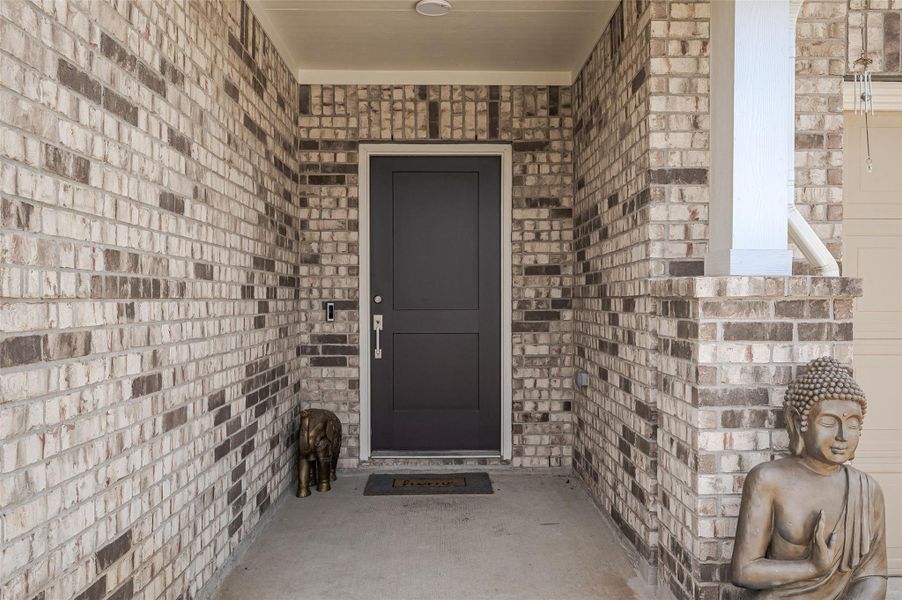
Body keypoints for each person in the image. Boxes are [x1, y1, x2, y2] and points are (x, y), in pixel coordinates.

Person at [731, 357, 887, 599]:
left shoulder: (867, 489)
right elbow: (743, 571)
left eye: (853, 424)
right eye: (828, 422)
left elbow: (872, 576)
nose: (843, 436)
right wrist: (812, 567)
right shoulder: (767, 480)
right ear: (797, 422)